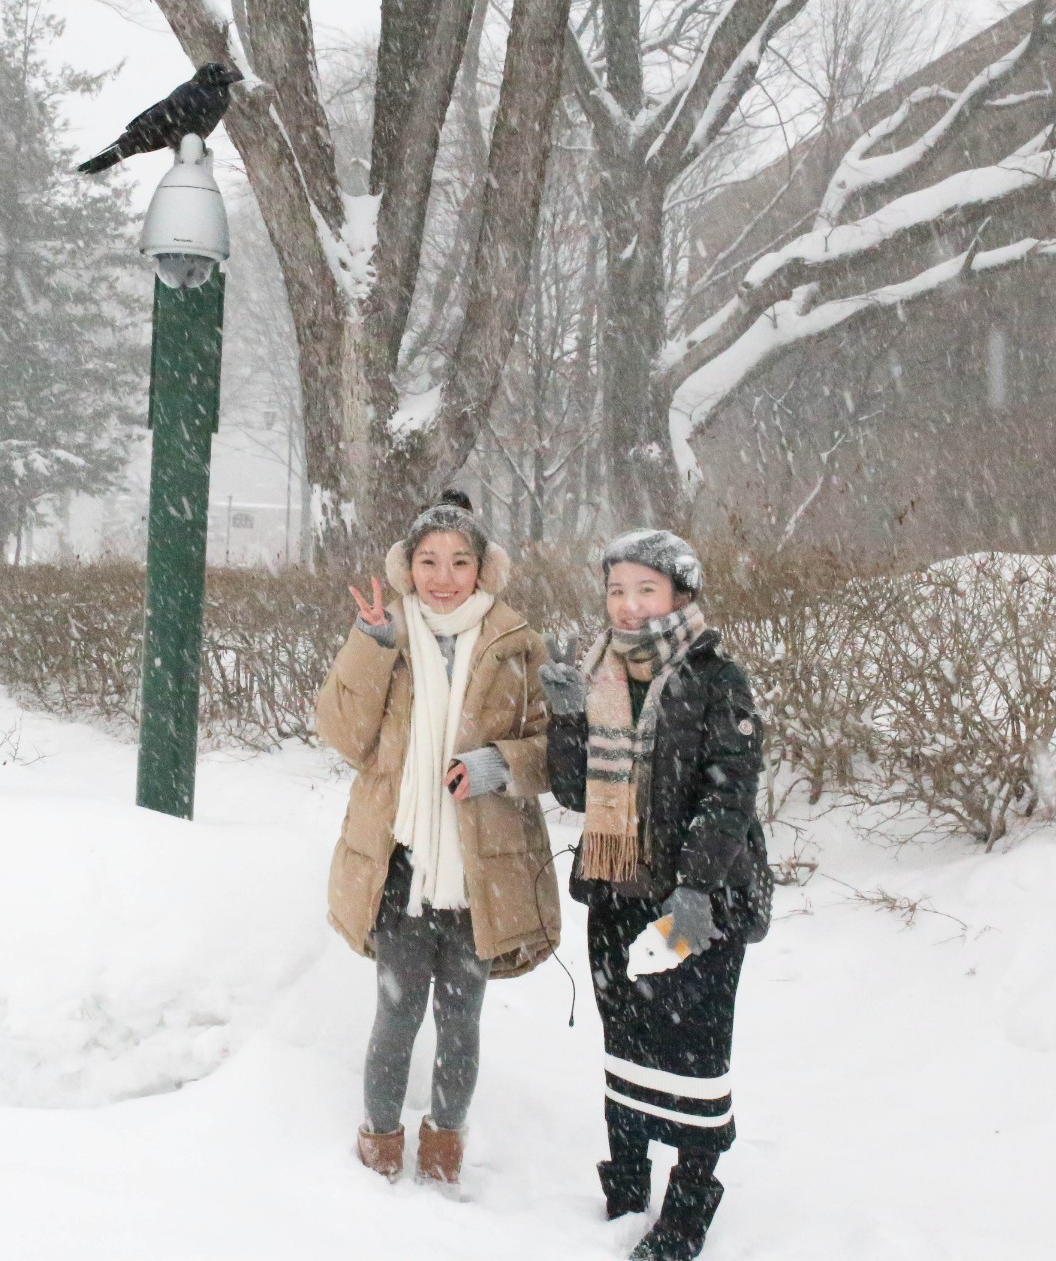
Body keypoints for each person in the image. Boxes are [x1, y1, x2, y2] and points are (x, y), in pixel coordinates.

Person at [314, 489, 561, 1188]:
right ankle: (380, 1147)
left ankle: (445, 1148)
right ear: (407, 567)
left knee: (461, 1023)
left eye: (459, 560)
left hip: (481, 874)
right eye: (428, 560)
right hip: (402, 869)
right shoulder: (387, 635)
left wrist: (499, 765)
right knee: (396, 1015)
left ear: (484, 569)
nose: (443, 575)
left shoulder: (518, 645)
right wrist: (368, 644)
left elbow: (551, 751)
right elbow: (341, 733)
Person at [541, 529, 768, 1261]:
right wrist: (569, 715)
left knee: (695, 1050)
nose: (629, 605)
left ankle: (687, 1207)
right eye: (616, 590)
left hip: (695, 900)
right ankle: (628, 1184)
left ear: (679, 594)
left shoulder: (716, 678)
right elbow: (574, 789)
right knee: (627, 1041)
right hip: (618, 891)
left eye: (645, 589)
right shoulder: (599, 669)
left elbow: (729, 792)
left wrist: (697, 887)